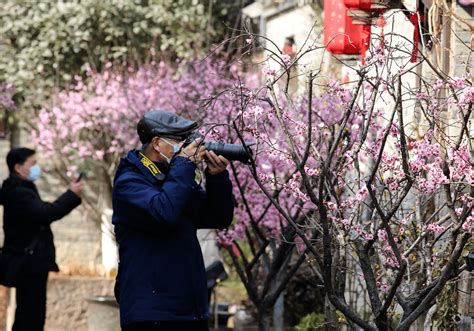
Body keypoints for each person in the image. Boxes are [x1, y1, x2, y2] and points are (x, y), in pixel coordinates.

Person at [112, 110, 234, 331]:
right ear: (157, 143)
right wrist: (184, 165)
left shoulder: (174, 177)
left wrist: (217, 178)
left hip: (189, 307)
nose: (185, 146)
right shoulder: (129, 181)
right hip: (151, 310)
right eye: (179, 140)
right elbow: (164, 212)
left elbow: (219, 217)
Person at [1, 147, 84, 331]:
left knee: (31, 314)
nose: (36, 168)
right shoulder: (18, 193)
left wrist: (71, 195)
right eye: (33, 164)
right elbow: (46, 213)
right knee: (30, 316)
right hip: (28, 263)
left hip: (30, 262)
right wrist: (71, 194)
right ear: (18, 167)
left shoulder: (22, 189)